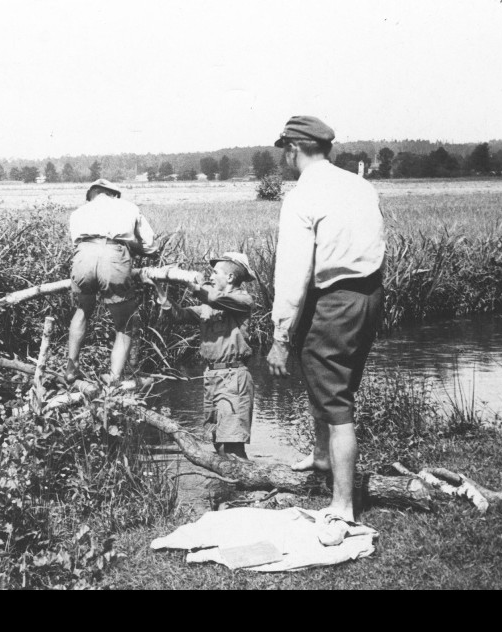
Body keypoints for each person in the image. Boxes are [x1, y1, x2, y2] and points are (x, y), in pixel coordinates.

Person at [265, 115, 385, 546]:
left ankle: (342, 506)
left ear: (294, 149)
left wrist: (280, 336)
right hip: (369, 295)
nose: (283, 157)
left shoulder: (302, 196)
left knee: (336, 404)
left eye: (284, 150)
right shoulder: (359, 185)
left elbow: (293, 273)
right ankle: (320, 457)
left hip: (333, 298)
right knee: (331, 382)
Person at [147, 252, 255, 460]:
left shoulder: (243, 300)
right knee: (219, 446)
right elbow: (177, 316)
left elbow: (214, 298)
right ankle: (232, 488)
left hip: (234, 378)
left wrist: (191, 283)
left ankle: (248, 485)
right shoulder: (207, 306)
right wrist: (158, 288)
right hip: (212, 377)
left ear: (231, 278)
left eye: (215, 273)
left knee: (233, 446)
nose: (211, 277)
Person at [67, 178, 159, 383]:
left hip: (83, 256)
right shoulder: (128, 208)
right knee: (124, 323)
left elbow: (77, 241)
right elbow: (151, 246)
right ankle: (115, 378)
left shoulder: (79, 212)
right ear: (113, 193)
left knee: (83, 310)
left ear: (92, 194)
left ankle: (71, 367)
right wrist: (132, 247)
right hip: (113, 256)